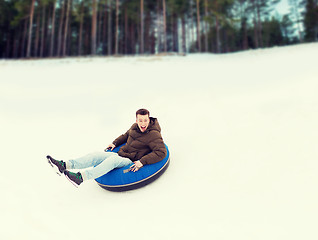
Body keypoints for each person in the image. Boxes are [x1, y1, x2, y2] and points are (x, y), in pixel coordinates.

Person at [47, 109, 167, 187]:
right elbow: (126, 135)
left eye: (145, 120)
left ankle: (80, 177)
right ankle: (64, 165)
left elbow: (161, 152)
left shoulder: (153, 134)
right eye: (140, 120)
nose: (143, 123)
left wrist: (142, 161)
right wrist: (114, 143)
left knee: (112, 161)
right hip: (121, 153)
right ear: (136, 120)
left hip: (130, 160)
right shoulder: (135, 127)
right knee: (95, 155)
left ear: (149, 119)